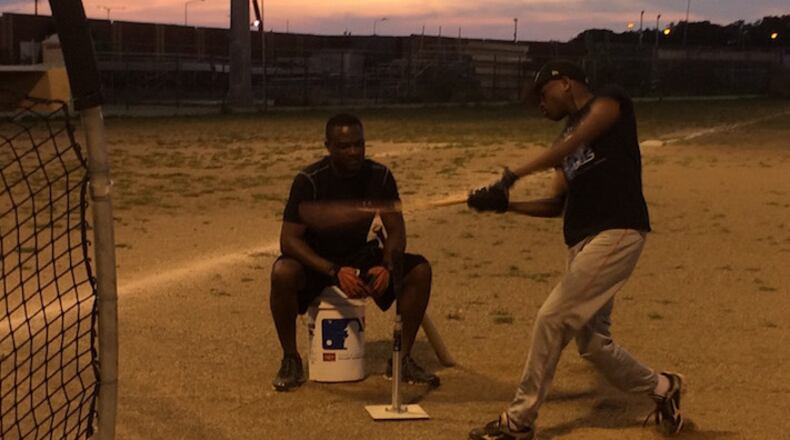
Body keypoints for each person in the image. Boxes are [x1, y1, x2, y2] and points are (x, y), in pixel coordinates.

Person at [466, 60, 683, 439]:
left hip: (617, 230)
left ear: (565, 83)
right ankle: (664, 387)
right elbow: (555, 205)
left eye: (542, 94)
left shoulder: (610, 101)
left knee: (551, 318)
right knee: (594, 344)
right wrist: (505, 206)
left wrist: (512, 177)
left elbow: (575, 141)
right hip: (582, 241)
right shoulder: (565, 139)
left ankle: (519, 421)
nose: (540, 105)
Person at [269, 113, 439, 391]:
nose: (354, 152)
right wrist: (334, 272)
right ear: (328, 146)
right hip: (318, 262)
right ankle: (290, 359)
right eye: (345, 146)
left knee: (419, 271)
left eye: (359, 144)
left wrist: (387, 266)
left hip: (360, 255)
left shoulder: (380, 177)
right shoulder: (309, 181)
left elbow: (396, 230)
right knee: (282, 272)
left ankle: (402, 360)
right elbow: (288, 241)